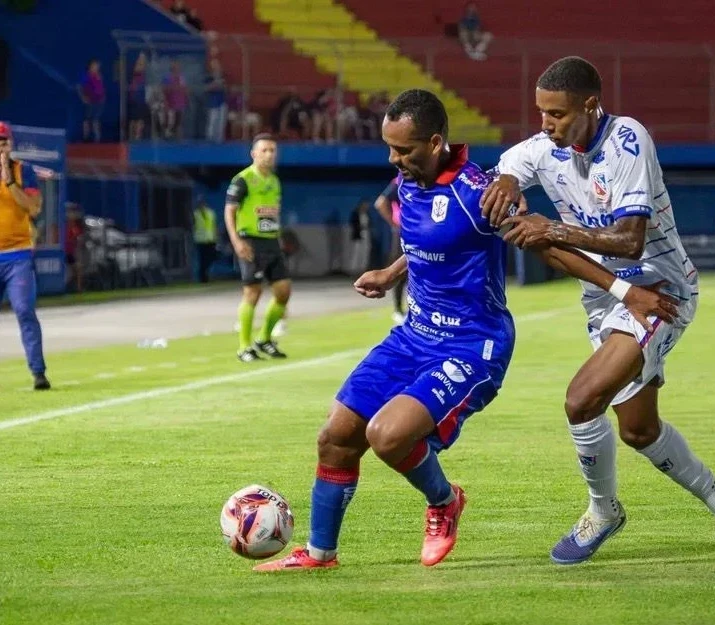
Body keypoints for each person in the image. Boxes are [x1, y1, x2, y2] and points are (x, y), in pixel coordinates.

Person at [253, 89, 672, 572]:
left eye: (403, 150)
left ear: (435, 143)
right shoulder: (409, 178)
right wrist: (391, 273)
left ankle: (445, 502)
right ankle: (320, 554)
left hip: (473, 345)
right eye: (390, 149)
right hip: (414, 335)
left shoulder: (480, 194)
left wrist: (624, 291)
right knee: (336, 436)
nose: (394, 160)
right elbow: (429, 243)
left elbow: (548, 248)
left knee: (388, 436)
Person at [482, 56, 715, 563]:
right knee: (638, 430)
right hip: (606, 297)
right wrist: (504, 181)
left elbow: (630, 240)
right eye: (541, 112)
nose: (546, 123)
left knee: (581, 400)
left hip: (658, 291)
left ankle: (603, 511)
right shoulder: (542, 148)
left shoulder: (628, 139)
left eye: (558, 113)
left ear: (590, 105)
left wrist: (552, 228)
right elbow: (508, 169)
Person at [224, 133, 290, 362]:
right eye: (264, 150)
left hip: (271, 240)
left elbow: (273, 212)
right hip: (250, 240)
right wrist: (236, 241)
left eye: (272, 150)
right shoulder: (243, 180)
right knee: (253, 292)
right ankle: (244, 347)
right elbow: (229, 210)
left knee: (283, 291)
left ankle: (264, 338)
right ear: (254, 153)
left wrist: (278, 237)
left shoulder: (274, 181)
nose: (269, 154)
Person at [0, 121, 50, 390]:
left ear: (11, 144)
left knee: (23, 309)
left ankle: (38, 372)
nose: (1, 147)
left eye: (3, 142)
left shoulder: (24, 171)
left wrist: (9, 181)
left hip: (16, 255)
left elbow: (33, 207)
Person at [373, 175, 406, 324]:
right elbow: (380, 203)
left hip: (418, 233)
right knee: (401, 272)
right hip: (403, 233)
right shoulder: (401, 181)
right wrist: (394, 224)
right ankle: (398, 310)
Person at [78, 60, 105, 143]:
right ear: (90, 66)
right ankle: (85, 137)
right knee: (87, 119)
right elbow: (79, 87)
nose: (96, 67)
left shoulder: (99, 75)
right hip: (90, 101)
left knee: (96, 119)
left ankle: (97, 138)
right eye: (95, 65)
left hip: (99, 101)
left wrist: (103, 96)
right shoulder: (86, 76)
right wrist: (83, 97)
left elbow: (101, 86)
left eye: (97, 66)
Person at [192, 196, 218, 283]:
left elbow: (214, 225)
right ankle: (203, 277)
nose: (201, 205)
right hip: (200, 240)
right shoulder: (195, 214)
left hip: (210, 239)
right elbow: (193, 225)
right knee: (202, 259)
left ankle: (205, 274)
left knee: (211, 257)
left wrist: (216, 237)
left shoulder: (211, 213)